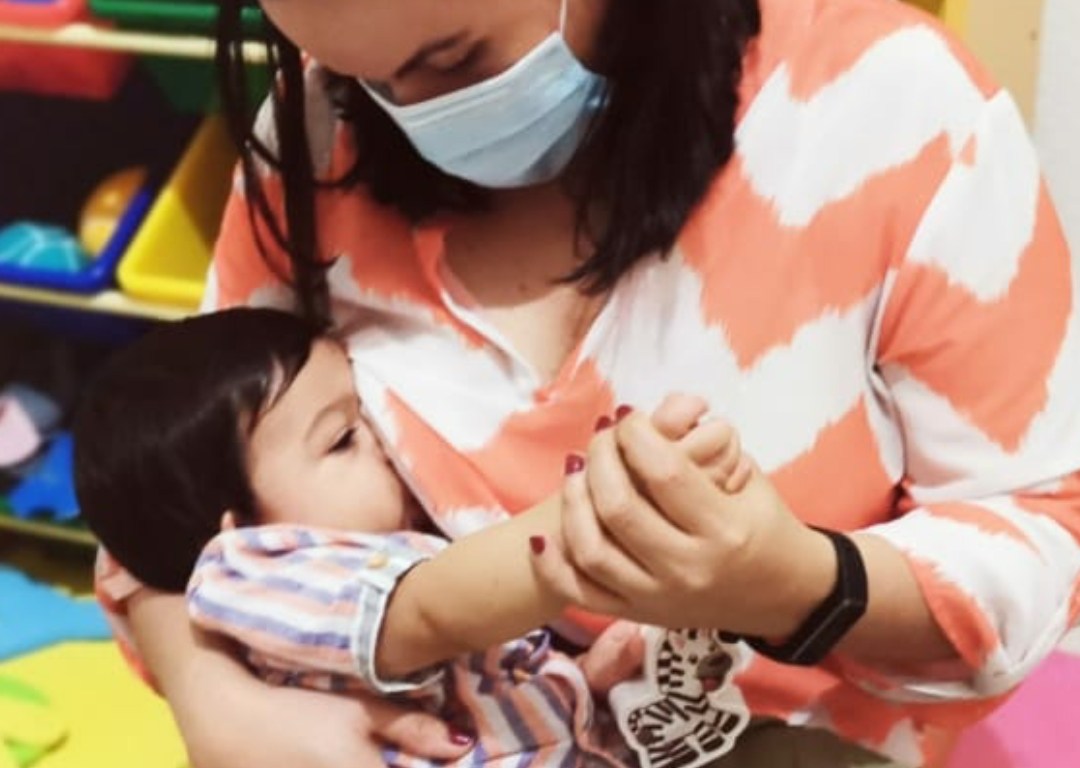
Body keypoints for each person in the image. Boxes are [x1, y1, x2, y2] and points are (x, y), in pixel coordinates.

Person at [95, 0, 1080, 765]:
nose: (410, 112)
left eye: (454, 59)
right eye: (362, 79)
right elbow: (165, 478)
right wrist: (215, 702)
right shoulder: (319, 129)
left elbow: (1041, 534)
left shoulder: (894, 112)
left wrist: (793, 585)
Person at [76, 307, 752, 767]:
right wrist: (602, 507)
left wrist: (574, 686)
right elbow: (430, 611)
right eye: (343, 438)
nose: (385, 441)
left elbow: (474, 691)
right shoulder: (257, 575)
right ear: (245, 534)